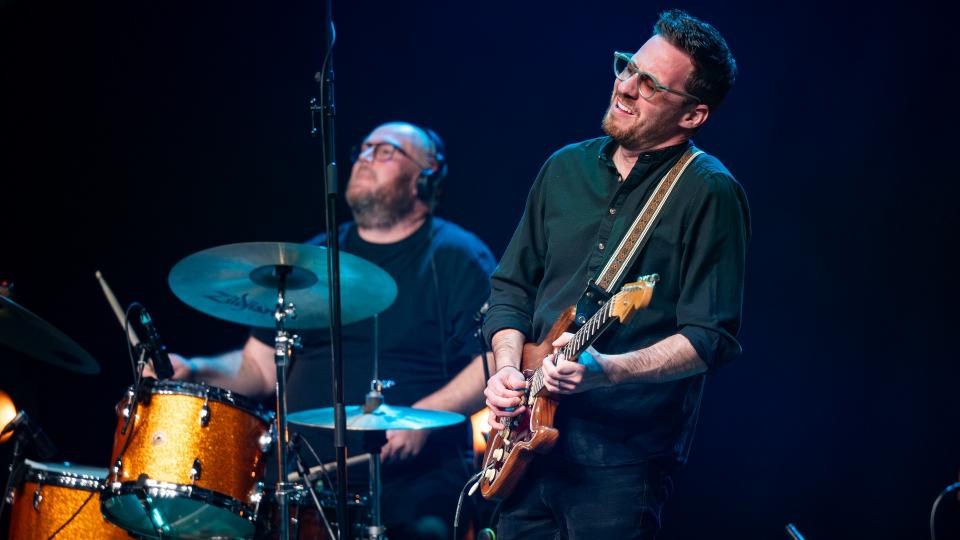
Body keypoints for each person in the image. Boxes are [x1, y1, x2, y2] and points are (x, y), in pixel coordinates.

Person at [157, 122, 497, 539]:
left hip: (414, 488)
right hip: (304, 487)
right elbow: (257, 369)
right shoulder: (315, 259)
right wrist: (193, 370)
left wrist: (425, 416)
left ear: (425, 177)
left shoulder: (457, 256)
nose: (366, 159)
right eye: (364, 148)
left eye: (386, 151)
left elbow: (494, 359)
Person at [482, 10, 749, 539]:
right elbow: (511, 288)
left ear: (693, 115)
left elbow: (710, 337)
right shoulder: (564, 167)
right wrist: (507, 369)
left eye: (650, 84)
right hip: (525, 440)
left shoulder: (709, 191)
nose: (625, 86)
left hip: (621, 460)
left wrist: (609, 370)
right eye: (628, 67)